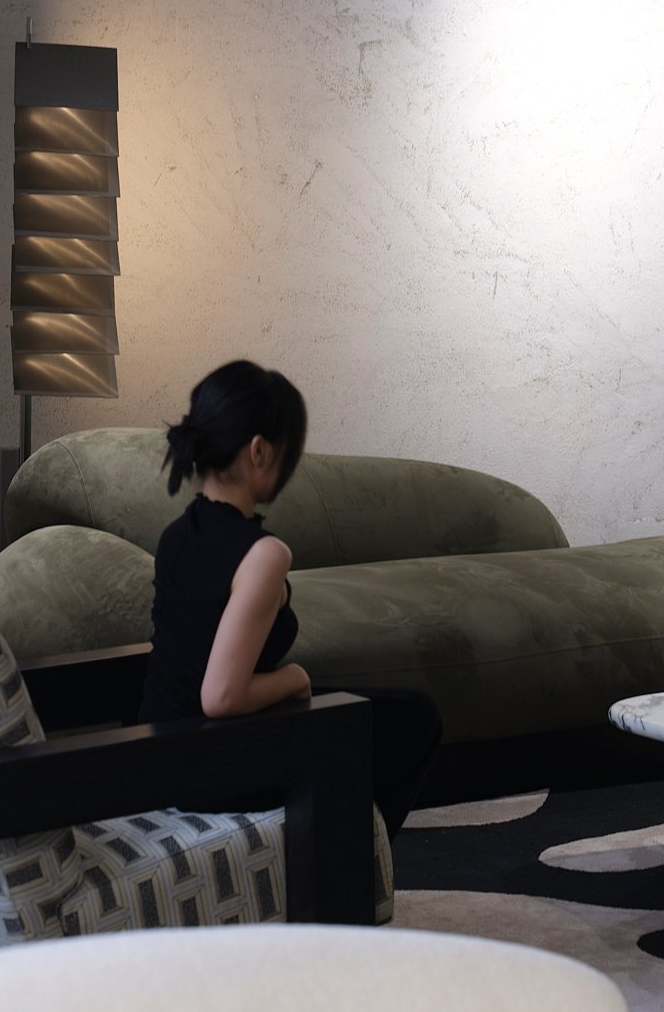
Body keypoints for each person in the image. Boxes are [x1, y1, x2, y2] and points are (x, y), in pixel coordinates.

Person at [139, 359, 441, 840]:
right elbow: (221, 696)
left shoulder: (176, 534)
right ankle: (349, 861)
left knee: (374, 707)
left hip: (159, 758)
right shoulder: (263, 554)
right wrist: (295, 676)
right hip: (211, 768)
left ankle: (348, 852)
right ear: (259, 451)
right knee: (415, 717)